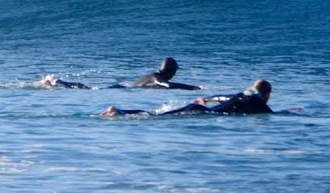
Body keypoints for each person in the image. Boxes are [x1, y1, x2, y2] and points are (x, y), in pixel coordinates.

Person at [101, 79, 274, 117]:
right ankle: (118, 112)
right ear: (266, 93)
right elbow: (270, 114)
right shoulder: (258, 102)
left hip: (199, 108)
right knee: (156, 117)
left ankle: (120, 111)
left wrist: (206, 99)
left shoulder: (242, 94)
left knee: (155, 115)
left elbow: (222, 98)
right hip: (202, 112)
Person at [35, 57, 201, 90]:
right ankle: (56, 82)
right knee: (86, 89)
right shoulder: (158, 77)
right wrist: (192, 88)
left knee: (87, 88)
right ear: (171, 70)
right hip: (120, 89)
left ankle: (56, 82)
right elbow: (167, 85)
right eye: (175, 71)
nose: (175, 74)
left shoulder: (150, 75)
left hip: (122, 88)